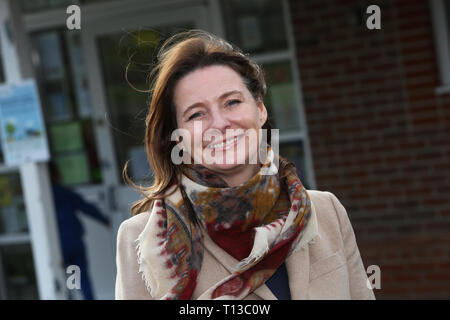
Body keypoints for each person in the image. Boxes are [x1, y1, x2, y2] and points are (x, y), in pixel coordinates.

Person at [115, 30, 375, 300]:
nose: (219, 124)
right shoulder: (142, 240)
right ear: (178, 138)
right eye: (196, 114)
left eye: (232, 102)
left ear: (260, 109)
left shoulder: (326, 211)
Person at [49, 161, 110, 300]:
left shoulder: (41, 196)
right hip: (74, 240)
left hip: (57, 244)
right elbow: (85, 207)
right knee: (80, 275)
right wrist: (104, 219)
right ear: (56, 175)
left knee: (62, 277)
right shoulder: (64, 193)